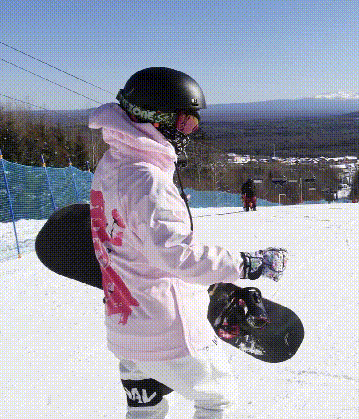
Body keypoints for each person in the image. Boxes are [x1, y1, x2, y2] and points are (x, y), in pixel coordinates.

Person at [88, 67, 286, 419]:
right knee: (217, 399)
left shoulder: (112, 163)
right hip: (166, 332)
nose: (189, 133)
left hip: (126, 328)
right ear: (155, 118)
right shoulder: (146, 180)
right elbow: (178, 256)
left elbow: (127, 240)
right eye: (185, 124)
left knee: (146, 409)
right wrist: (247, 264)